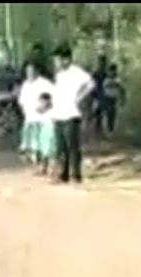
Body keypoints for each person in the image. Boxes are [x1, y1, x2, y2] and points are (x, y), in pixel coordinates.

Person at [49, 46, 93, 184]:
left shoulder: (77, 72)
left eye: (58, 59)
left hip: (71, 113)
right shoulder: (59, 75)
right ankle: (63, 174)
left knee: (72, 146)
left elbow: (91, 84)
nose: (56, 62)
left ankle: (76, 174)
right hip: (58, 114)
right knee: (60, 147)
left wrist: (80, 97)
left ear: (66, 59)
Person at [17, 64, 56, 175]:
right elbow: (21, 101)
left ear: (37, 71)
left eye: (32, 71)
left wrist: (46, 105)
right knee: (33, 146)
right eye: (27, 71)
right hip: (30, 119)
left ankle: (46, 167)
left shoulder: (45, 84)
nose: (29, 73)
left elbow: (54, 96)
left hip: (44, 119)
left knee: (45, 145)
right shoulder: (25, 85)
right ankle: (39, 167)